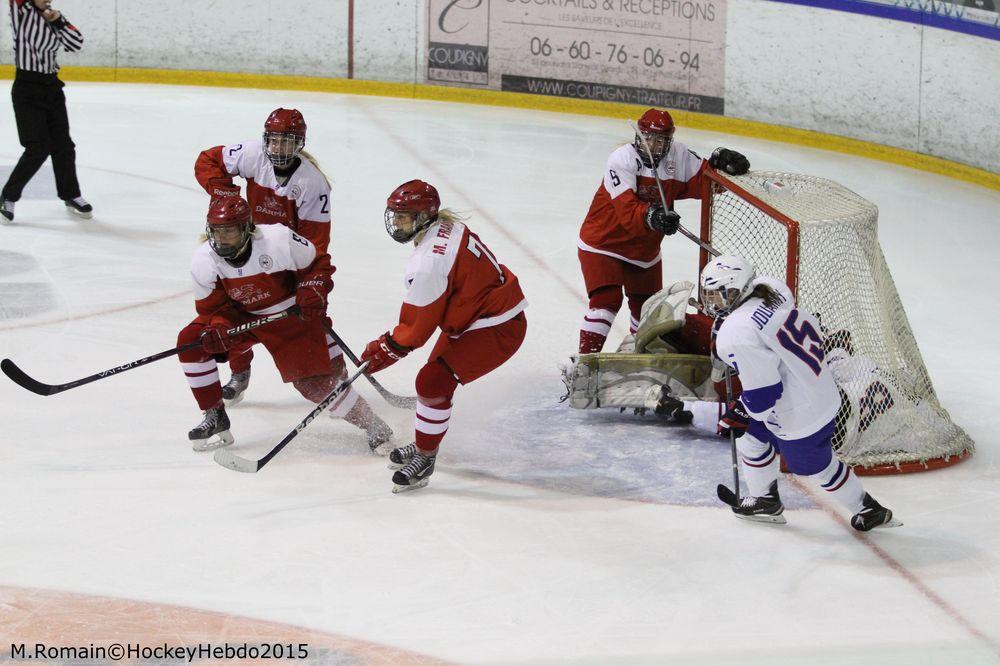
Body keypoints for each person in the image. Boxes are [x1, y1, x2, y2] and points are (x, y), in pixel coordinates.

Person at [177, 195, 391, 453]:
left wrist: (313, 289)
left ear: (246, 229)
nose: (221, 239)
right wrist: (219, 326)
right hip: (245, 318)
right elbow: (214, 309)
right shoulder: (204, 260)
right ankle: (214, 414)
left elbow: (318, 264)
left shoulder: (277, 240)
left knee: (315, 385)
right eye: (216, 231)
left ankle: (374, 425)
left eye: (229, 231)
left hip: (290, 316)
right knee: (191, 342)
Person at [700, 255, 899, 531]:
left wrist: (740, 411)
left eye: (721, 295)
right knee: (751, 438)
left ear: (740, 290)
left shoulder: (736, 333)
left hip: (801, 411)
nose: (713, 303)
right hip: (815, 383)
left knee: (815, 467)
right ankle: (764, 500)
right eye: (708, 295)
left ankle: (868, 509)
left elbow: (765, 393)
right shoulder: (772, 289)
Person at [360, 180, 527, 493]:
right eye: (395, 215)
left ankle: (425, 455)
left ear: (424, 217)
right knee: (436, 375)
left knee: (432, 381)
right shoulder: (446, 228)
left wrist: (385, 349)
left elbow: (417, 328)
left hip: (498, 325)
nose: (397, 222)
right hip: (480, 315)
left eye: (404, 216)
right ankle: (427, 441)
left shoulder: (430, 261)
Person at [576, 107, 749, 354]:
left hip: (645, 250)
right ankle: (585, 363)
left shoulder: (678, 157)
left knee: (646, 311)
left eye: (660, 140)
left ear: (670, 140)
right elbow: (627, 211)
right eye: (648, 137)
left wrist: (721, 167)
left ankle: (632, 360)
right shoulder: (621, 159)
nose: (652, 145)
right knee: (606, 302)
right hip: (604, 243)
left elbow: (705, 182)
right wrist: (653, 216)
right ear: (639, 135)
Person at [193, 108, 332, 406]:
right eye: (274, 141)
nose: (278, 148)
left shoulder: (312, 183)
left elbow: (315, 244)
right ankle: (240, 372)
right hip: (244, 245)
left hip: (285, 256)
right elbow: (207, 160)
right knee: (235, 312)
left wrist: (312, 284)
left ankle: (336, 373)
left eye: (287, 142)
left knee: (309, 316)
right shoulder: (253, 154)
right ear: (266, 139)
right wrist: (224, 195)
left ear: (300, 144)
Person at [1, 0, 92, 224]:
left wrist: (58, 21)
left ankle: (70, 194)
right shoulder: (21, 12)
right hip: (26, 89)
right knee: (37, 147)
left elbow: (76, 43)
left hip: (52, 88)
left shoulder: (55, 18)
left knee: (64, 145)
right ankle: (7, 196)